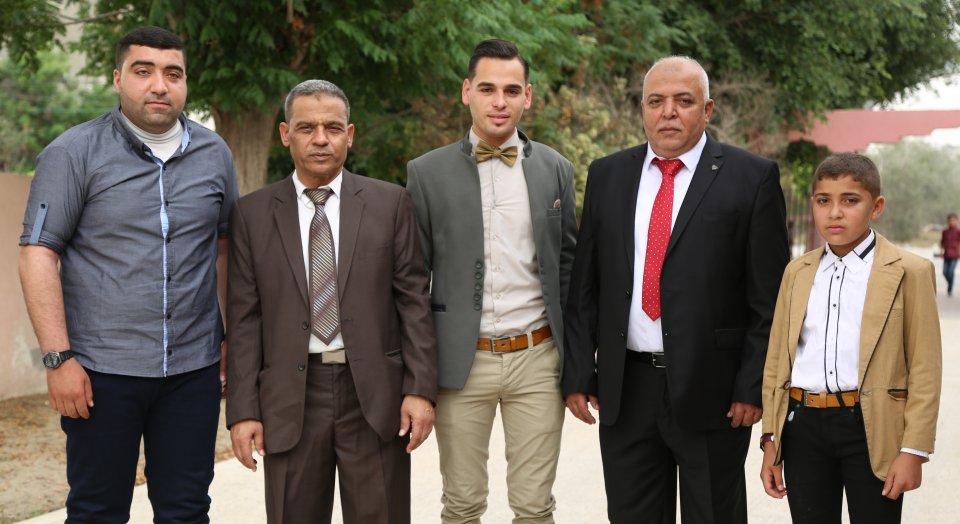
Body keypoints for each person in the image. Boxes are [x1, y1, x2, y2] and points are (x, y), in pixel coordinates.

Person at [18, 26, 238, 522]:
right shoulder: (72, 153)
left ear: (185, 83)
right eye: (143, 71)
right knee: (97, 511)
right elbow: (38, 254)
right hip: (100, 372)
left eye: (173, 73)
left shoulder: (215, 154)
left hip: (193, 371)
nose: (159, 85)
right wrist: (58, 360)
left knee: (187, 511)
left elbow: (223, 249)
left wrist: (229, 338)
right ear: (118, 79)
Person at [563, 55, 790, 523]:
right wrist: (580, 371)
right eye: (656, 101)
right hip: (626, 389)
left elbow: (769, 299)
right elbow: (586, 284)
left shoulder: (752, 177)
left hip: (715, 391)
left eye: (683, 101)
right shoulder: (607, 175)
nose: (668, 112)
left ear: (707, 110)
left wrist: (752, 386)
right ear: (643, 109)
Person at [226, 79, 437, 524]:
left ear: (350, 134)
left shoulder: (390, 203)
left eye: (333, 128)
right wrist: (243, 410)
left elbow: (414, 302)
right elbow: (245, 319)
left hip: (374, 398)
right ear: (285, 134)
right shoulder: (252, 214)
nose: (320, 139)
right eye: (307, 128)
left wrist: (419, 389)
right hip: (289, 399)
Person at [406, 39, 577, 523]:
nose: (500, 101)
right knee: (462, 504)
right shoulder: (426, 173)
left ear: (528, 96)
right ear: (467, 92)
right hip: (460, 362)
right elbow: (412, 280)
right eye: (487, 89)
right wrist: (416, 376)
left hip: (538, 358)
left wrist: (578, 363)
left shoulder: (556, 169)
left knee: (534, 506)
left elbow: (568, 267)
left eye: (511, 90)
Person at [759, 153, 941, 523]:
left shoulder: (910, 272)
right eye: (823, 201)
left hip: (872, 428)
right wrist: (770, 439)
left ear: (877, 207)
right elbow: (777, 359)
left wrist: (914, 449)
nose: (835, 213)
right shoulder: (797, 272)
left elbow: (925, 368)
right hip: (802, 426)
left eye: (850, 200)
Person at [940, 212, 959, 296]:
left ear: (956, 221)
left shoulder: (958, 231)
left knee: (951, 272)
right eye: (950, 220)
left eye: (953, 220)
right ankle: (950, 283)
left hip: (955, 255)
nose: (951, 222)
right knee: (944, 272)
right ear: (948, 221)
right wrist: (941, 251)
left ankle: (950, 288)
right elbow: (942, 242)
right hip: (946, 254)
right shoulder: (945, 231)